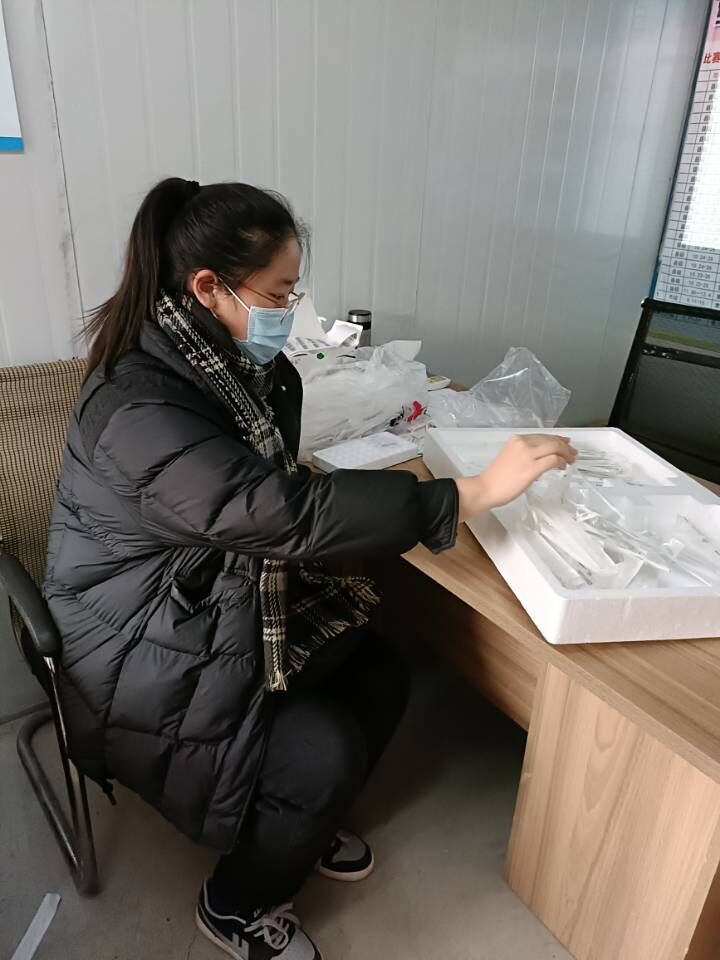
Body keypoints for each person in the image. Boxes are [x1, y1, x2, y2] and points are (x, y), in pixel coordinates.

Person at [43, 178, 576, 960]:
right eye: (278, 294)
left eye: (292, 293)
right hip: (134, 638)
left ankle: (295, 823)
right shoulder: (141, 407)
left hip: (200, 590)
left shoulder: (221, 364)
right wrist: (467, 495)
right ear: (208, 287)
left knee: (380, 669)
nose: (287, 312)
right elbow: (278, 511)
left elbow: (265, 497)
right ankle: (236, 903)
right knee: (322, 748)